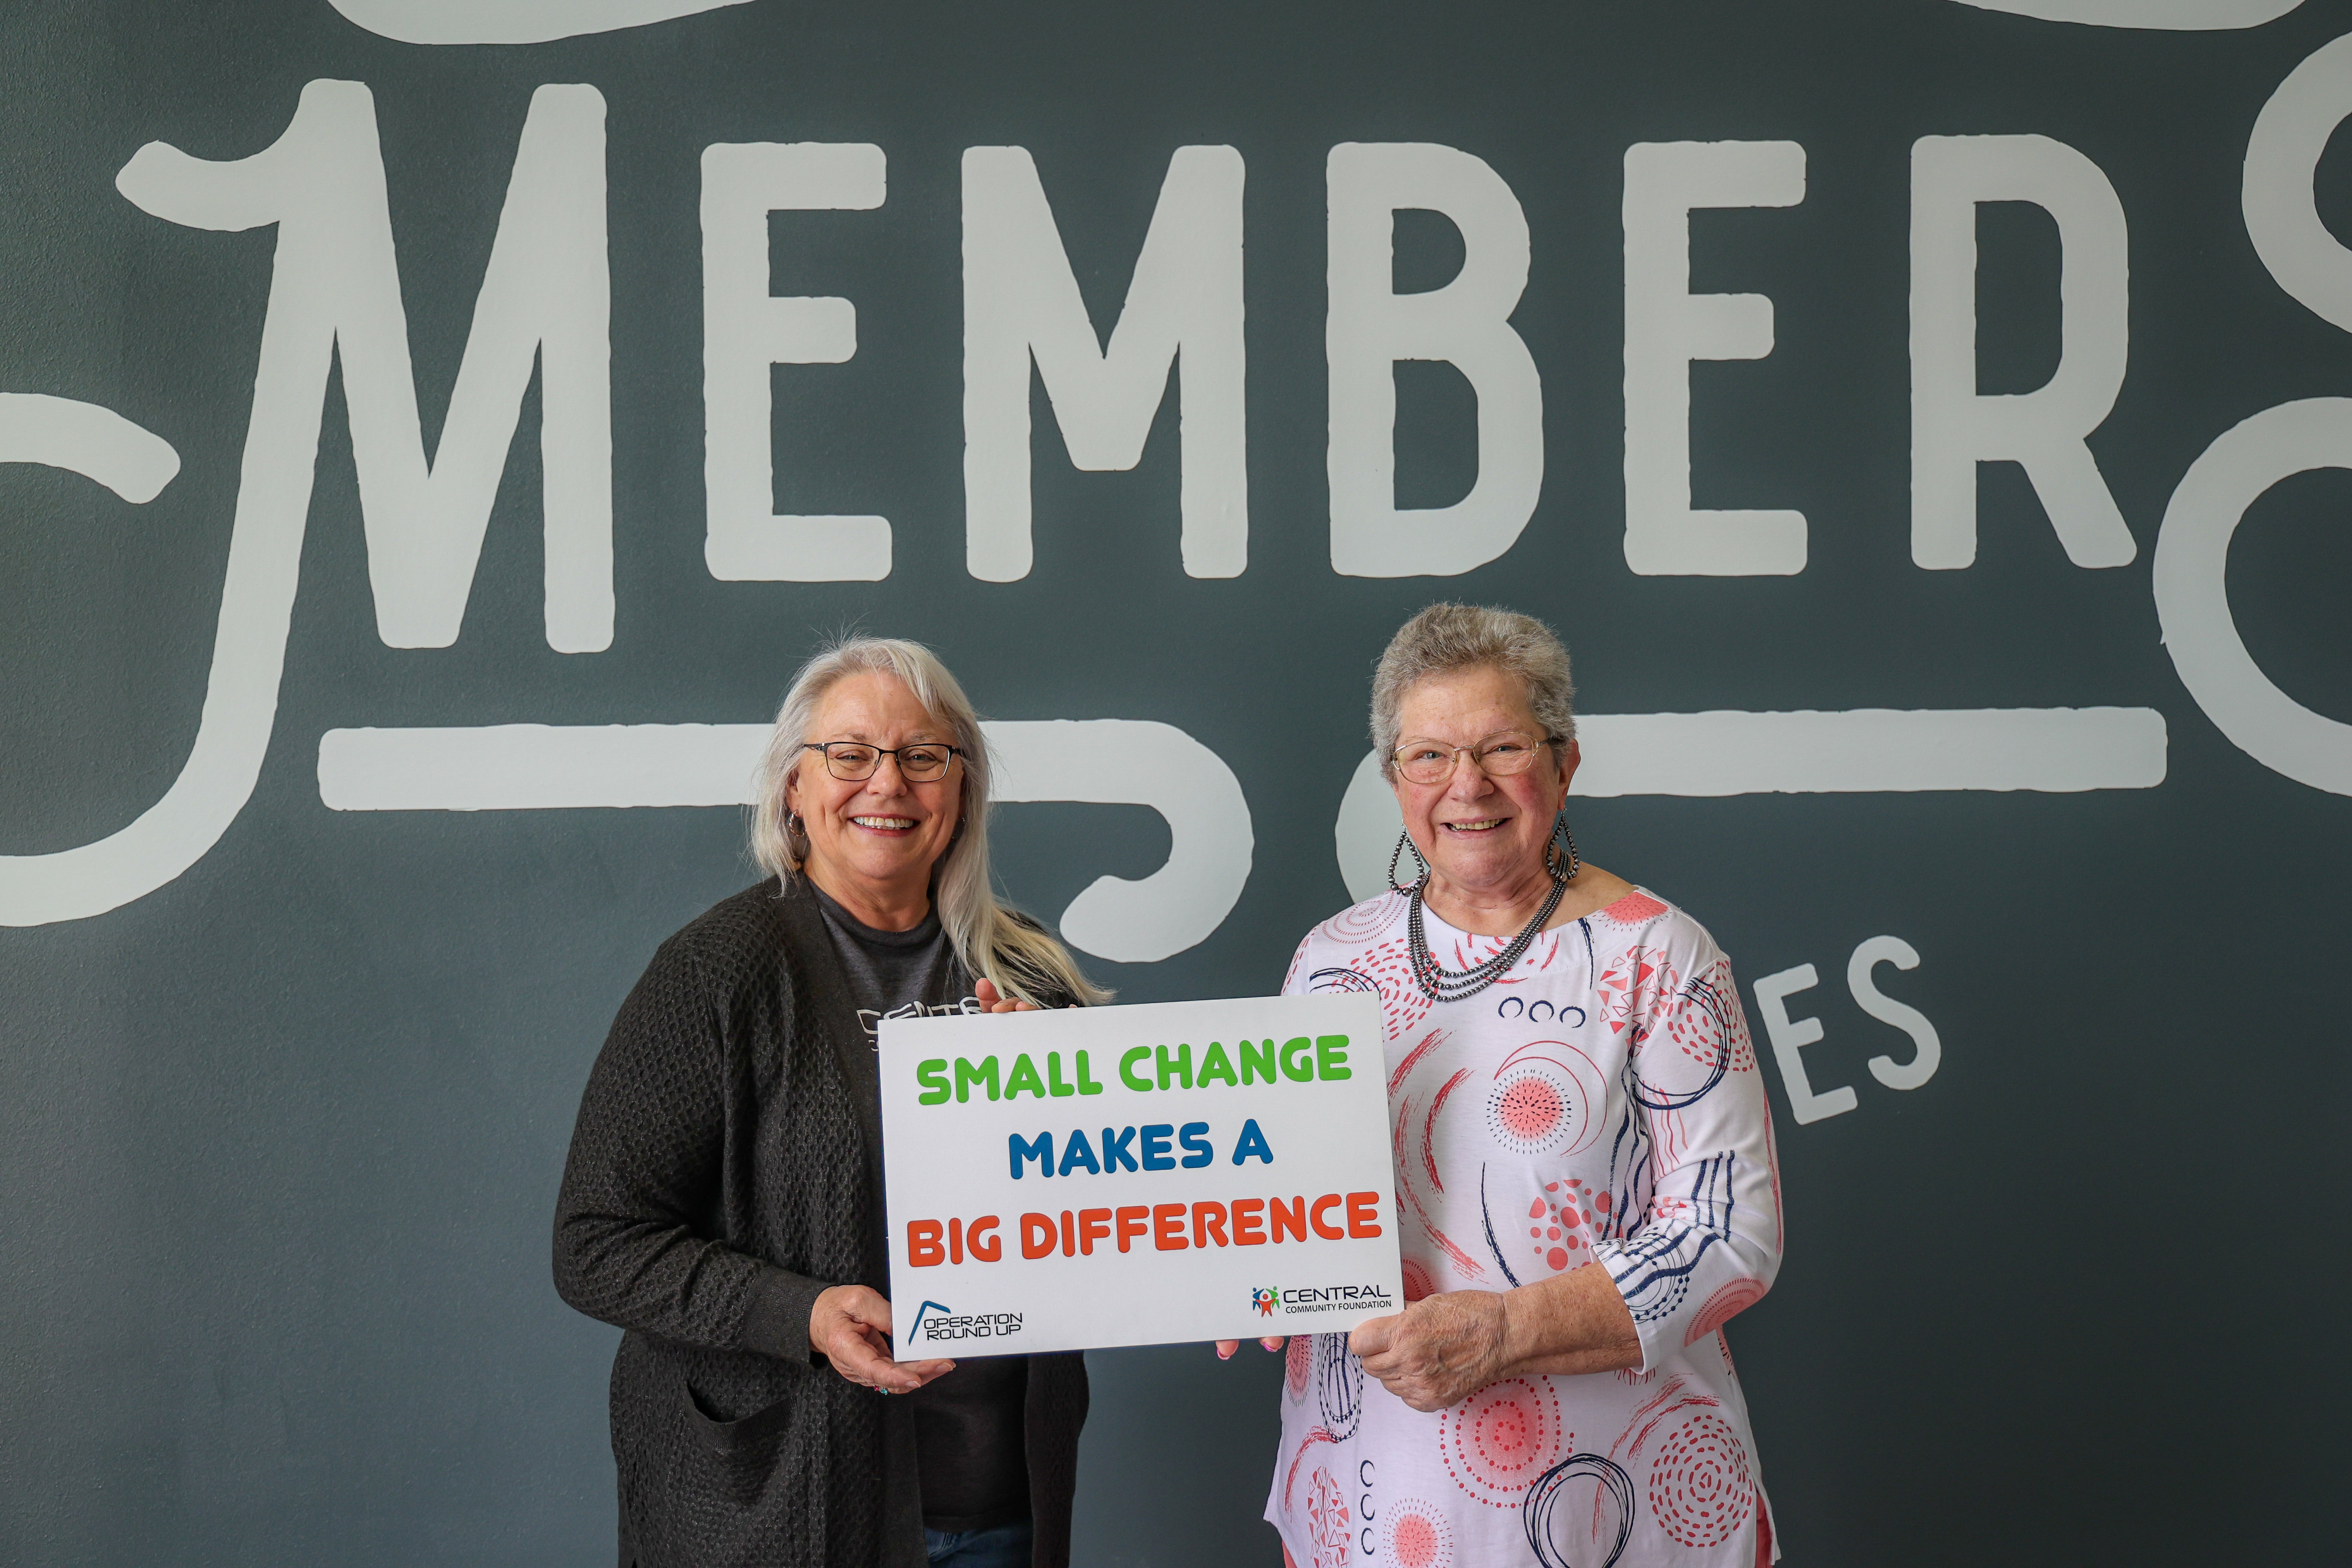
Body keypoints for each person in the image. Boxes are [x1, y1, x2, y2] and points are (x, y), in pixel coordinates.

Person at [1223, 603, 1784, 1568]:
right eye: (1428, 755)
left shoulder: (1657, 954)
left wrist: (1508, 1329)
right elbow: (1279, 1189)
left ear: (1565, 764)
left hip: (1617, 1509)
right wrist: (1237, 1267)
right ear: (1394, 777)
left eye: (1501, 748)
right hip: (1363, 1499)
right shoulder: (1331, 962)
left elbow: (1732, 1236)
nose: (1465, 786)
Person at [554, 636, 1108, 1568]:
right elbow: (595, 1243)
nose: (886, 784)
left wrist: (1053, 1111)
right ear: (793, 791)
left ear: (962, 789)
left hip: (998, 1507)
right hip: (780, 1514)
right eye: (849, 755)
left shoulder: (1028, 973)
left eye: (923, 756)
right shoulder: (715, 974)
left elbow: (1108, 1217)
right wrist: (798, 1314)